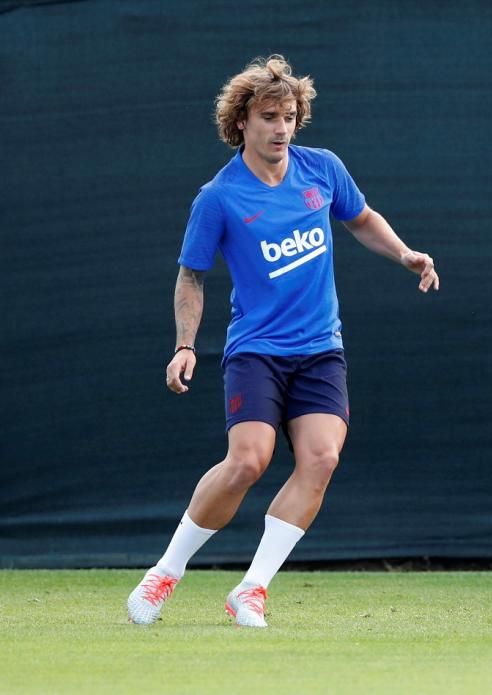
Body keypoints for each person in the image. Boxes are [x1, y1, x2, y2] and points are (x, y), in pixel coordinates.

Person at [127, 55, 439, 628]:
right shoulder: (219, 197)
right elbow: (191, 276)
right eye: (269, 116)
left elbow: (362, 218)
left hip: (321, 348)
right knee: (248, 461)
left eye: (289, 116)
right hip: (257, 351)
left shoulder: (322, 170)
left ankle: (251, 589)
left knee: (321, 458)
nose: (281, 128)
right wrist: (185, 345)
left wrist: (404, 253)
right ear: (241, 122)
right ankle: (165, 572)